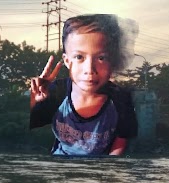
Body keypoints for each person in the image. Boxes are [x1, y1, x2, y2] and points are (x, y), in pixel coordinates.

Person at [29, 14, 138, 156]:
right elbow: (25, 126)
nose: (89, 70)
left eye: (101, 58)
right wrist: (34, 99)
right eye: (79, 57)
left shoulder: (121, 99)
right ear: (67, 61)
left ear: (112, 61)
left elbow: (120, 141)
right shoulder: (55, 92)